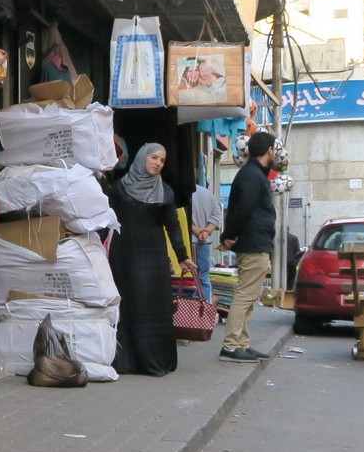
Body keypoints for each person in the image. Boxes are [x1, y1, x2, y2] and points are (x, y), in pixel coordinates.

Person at [108, 143, 199, 377]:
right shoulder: (120, 188)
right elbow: (106, 221)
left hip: (153, 259)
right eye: (154, 157)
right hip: (124, 255)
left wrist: (182, 257)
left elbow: (173, 227)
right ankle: (126, 362)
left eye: (162, 160)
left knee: (151, 305)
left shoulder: (165, 192)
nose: (158, 163)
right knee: (127, 304)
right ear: (142, 158)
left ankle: (153, 360)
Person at [219, 131, 278, 363]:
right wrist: (229, 236)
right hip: (253, 243)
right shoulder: (252, 175)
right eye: (274, 150)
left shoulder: (252, 173)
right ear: (270, 151)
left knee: (250, 296)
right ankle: (231, 345)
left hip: (255, 241)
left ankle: (242, 343)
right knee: (245, 295)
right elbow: (242, 210)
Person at [190, 182, 223, 303]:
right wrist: (206, 231)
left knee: (187, 278)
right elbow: (217, 216)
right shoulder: (207, 193)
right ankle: (204, 310)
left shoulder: (179, 193)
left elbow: (175, 217)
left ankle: (186, 311)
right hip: (204, 242)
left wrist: (195, 230)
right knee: (203, 277)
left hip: (187, 242)